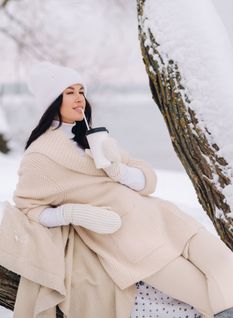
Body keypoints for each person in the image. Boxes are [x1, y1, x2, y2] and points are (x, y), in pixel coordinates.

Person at [1, 61, 232, 318]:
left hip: (165, 220)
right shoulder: (40, 156)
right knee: (205, 297)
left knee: (226, 266)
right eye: (70, 92)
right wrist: (71, 213)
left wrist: (120, 171)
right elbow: (28, 207)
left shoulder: (93, 137)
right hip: (134, 245)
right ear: (52, 102)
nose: (80, 99)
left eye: (81, 91)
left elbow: (148, 180)